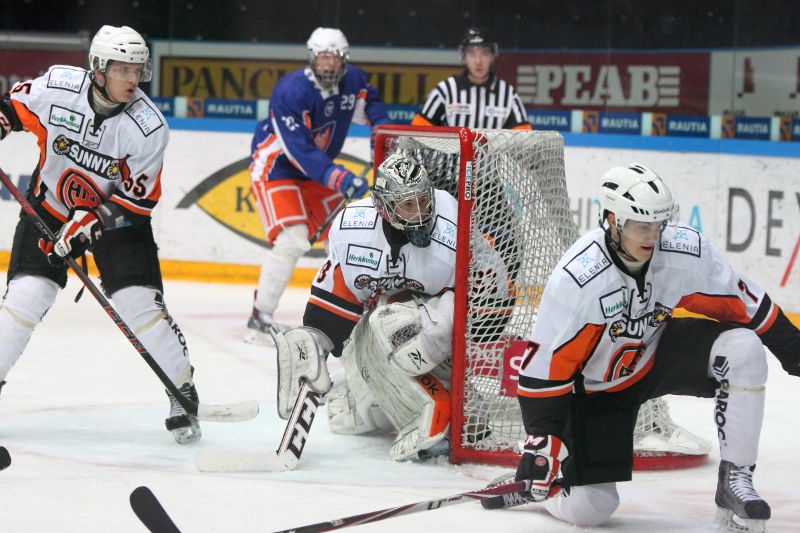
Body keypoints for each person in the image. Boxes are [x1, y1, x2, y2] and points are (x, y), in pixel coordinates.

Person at [505, 163, 800, 531]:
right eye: (641, 226)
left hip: (655, 353)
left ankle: (735, 481)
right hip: (598, 392)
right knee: (594, 507)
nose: (652, 237)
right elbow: (544, 371)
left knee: (743, 349)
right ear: (612, 220)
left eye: (658, 225)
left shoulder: (681, 252)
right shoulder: (578, 281)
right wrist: (543, 438)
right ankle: (547, 491)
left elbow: (747, 304)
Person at [0, 25, 202, 444]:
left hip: (117, 222)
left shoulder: (148, 128)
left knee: (138, 305)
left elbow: (137, 201)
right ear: (98, 67)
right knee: (25, 298)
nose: (133, 79)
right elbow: (11, 108)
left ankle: (181, 388)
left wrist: (90, 221)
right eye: (123, 69)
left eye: (138, 70)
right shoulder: (58, 87)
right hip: (51, 208)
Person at [269, 154, 510, 461]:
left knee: (387, 320)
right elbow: (338, 292)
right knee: (350, 418)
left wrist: (445, 325)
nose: (421, 213)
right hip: (396, 332)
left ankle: (435, 408)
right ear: (383, 206)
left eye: (423, 200)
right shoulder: (352, 228)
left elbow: (494, 295)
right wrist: (315, 341)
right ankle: (428, 402)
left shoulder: (454, 228)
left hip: (449, 331)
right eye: (408, 205)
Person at [245, 27, 391, 345]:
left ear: (344, 60)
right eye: (322, 57)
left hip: (317, 171)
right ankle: (260, 317)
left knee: (345, 238)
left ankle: (348, 315)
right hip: (276, 168)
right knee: (291, 240)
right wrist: (338, 177)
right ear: (312, 58)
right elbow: (299, 149)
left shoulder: (355, 81)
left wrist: (381, 135)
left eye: (334, 57)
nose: (328, 64)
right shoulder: (290, 91)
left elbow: (372, 105)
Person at [411, 28, 531, 130]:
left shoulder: (507, 94)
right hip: (452, 158)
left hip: (493, 158)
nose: (478, 62)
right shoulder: (445, 90)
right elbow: (419, 131)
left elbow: (523, 139)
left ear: (493, 56)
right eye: (472, 55)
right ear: (464, 57)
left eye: (484, 54)